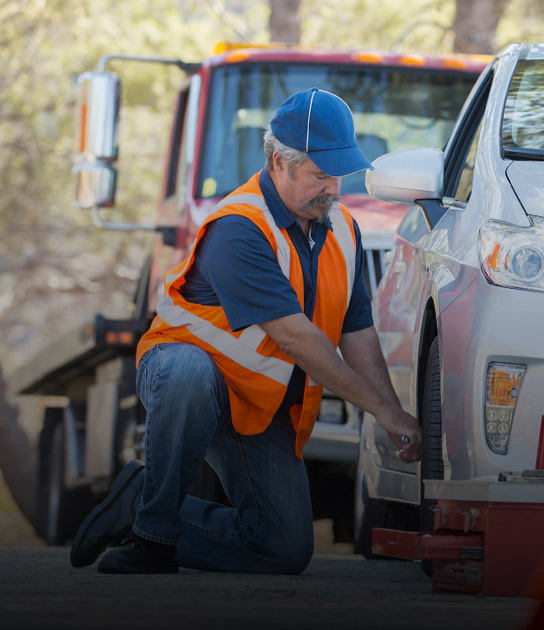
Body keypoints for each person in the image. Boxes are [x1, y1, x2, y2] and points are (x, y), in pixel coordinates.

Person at [69, 88, 422, 574]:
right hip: (187, 378)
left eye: (339, 174)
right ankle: (152, 534)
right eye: (321, 175)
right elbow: (296, 337)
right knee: (191, 374)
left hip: (259, 402)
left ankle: (136, 502)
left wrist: (393, 415)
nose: (334, 189)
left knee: (283, 550)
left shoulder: (343, 231)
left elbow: (356, 331)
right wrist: (382, 408)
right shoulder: (240, 227)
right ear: (278, 161)